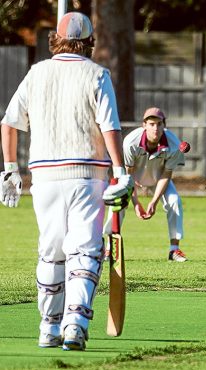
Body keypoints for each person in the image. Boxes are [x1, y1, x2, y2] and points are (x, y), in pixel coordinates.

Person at [0, 12, 133, 350]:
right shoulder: (97, 74)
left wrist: (10, 168)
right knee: (85, 252)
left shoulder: (36, 73)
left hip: (43, 177)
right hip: (88, 174)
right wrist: (120, 171)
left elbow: (9, 122)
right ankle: (74, 324)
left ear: (54, 39)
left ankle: (48, 327)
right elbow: (110, 127)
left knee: (51, 251)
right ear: (90, 41)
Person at [120, 107, 187, 262]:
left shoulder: (174, 144)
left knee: (174, 201)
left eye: (159, 124)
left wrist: (154, 202)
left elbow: (166, 175)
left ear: (164, 125)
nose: (155, 128)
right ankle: (110, 248)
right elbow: (128, 175)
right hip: (134, 178)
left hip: (159, 180)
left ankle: (174, 249)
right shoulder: (130, 142)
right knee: (118, 202)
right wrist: (136, 204)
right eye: (151, 124)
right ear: (144, 125)